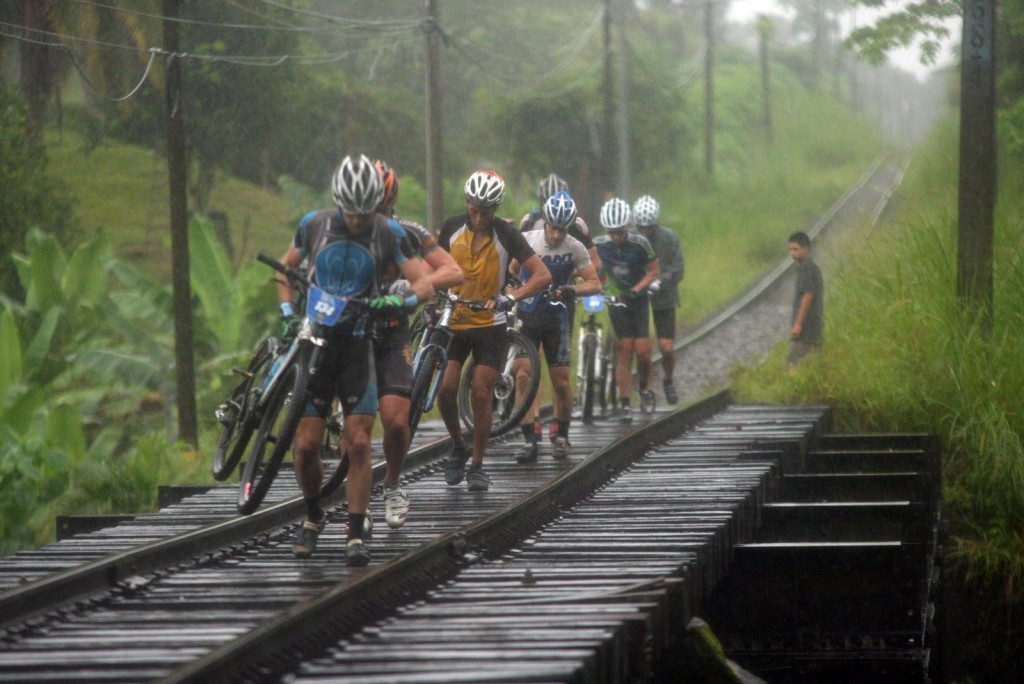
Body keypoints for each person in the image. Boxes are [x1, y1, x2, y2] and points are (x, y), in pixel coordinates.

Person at [275, 154, 434, 566]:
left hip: (358, 348)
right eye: (352, 213)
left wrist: (400, 298)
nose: (359, 222)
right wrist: (288, 314)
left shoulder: (390, 232)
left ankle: (356, 531)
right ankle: (312, 516)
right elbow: (283, 270)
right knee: (307, 446)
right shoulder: (314, 224)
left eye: (366, 214)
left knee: (360, 442)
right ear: (339, 202)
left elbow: (424, 284)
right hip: (317, 345)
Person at [436, 170, 552, 491]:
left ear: (496, 208)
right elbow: (432, 264)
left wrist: (510, 296)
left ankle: (477, 464)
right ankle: (458, 445)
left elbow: (542, 276)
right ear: (467, 202)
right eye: (474, 208)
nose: (479, 216)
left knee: (481, 391)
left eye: (486, 210)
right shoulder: (451, 227)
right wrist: (433, 295)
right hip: (456, 320)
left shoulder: (506, 234)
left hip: (491, 325)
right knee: (445, 390)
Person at [371, 160, 464, 528]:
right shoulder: (340, 231)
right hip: (350, 333)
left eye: (382, 207)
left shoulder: (406, 232)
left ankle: (392, 485)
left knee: (395, 422)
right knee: (354, 433)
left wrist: (417, 289)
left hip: (392, 331)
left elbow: (452, 270)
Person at [511, 190, 601, 463]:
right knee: (523, 376)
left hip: (557, 319)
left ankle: (561, 433)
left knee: (561, 382)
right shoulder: (528, 240)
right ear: (545, 223)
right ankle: (528, 439)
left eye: (563, 230)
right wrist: (513, 289)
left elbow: (594, 283)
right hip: (527, 316)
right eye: (553, 228)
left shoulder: (575, 247)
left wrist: (572, 290)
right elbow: (512, 271)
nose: (557, 235)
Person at [593, 197, 660, 424]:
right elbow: (587, 265)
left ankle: (646, 388)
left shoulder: (641, 243)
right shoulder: (599, 244)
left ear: (628, 227)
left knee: (642, 350)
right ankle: (624, 401)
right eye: (612, 233)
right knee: (624, 349)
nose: (616, 237)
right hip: (617, 300)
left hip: (638, 299)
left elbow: (653, 271)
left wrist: (637, 288)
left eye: (620, 232)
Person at [632, 195, 684, 405]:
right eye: (641, 227)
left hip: (664, 296)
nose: (645, 232)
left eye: (649, 228)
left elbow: (679, 268)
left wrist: (662, 282)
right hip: (639, 298)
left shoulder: (669, 238)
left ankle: (668, 379)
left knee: (666, 347)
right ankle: (645, 386)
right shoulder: (631, 238)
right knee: (642, 349)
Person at [786, 231, 823, 370]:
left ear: (806, 249)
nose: (792, 253)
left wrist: (798, 325)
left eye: (795, 249)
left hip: (807, 330)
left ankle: (793, 389)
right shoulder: (806, 268)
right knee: (811, 366)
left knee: (791, 363)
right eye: (790, 249)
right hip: (812, 329)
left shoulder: (808, 268)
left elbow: (808, 296)